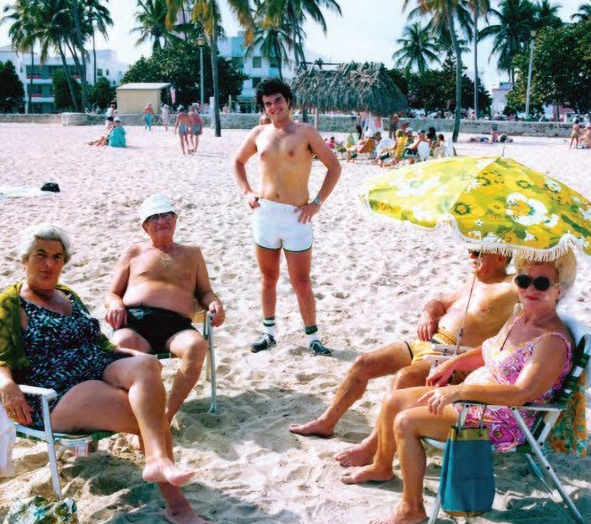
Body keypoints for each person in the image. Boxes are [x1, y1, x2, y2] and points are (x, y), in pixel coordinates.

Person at [0, 224, 215, 524]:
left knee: (146, 365)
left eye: (57, 257)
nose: (49, 264)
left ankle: (155, 460)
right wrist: (6, 383)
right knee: (148, 412)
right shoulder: (10, 303)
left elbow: (97, 341)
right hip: (56, 392)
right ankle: (177, 506)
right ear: (25, 259)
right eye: (41, 256)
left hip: (94, 364)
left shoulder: (67, 296)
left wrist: (124, 355)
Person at [341, 251, 576, 524]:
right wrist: (452, 364)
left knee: (406, 422)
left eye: (541, 284)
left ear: (559, 291)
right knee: (393, 400)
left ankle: (411, 509)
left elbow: (521, 393)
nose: (529, 289)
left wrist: (460, 391)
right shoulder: (521, 318)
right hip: (477, 400)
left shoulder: (552, 341)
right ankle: (381, 465)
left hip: (504, 418)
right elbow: (489, 351)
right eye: (524, 280)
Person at [290, 252, 518, 465]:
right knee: (363, 363)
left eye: (478, 252)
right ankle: (327, 422)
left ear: (500, 257)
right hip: (429, 342)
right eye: (471, 249)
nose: (471, 255)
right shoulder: (473, 280)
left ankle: (372, 448)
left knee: (405, 378)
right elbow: (438, 302)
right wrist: (428, 314)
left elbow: (545, 280)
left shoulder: (511, 285)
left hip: (456, 356)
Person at [233, 78, 341, 356]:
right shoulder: (259, 133)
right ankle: (268, 333)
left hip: (297, 217)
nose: (273, 107)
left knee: (301, 281)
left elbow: (334, 167)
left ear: (288, 101)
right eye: (267, 103)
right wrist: (247, 191)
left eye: (277, 100)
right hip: (265, 214)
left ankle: (313, 337)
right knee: (268, 278)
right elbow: (237, 162)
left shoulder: (306, 132)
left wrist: (316, 203)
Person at [104, 194, 225, 421]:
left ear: (175, 219)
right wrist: (116, 304)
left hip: (176, 326)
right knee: (119, 346)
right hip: (136, 323)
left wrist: (215, 302)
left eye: (167, 215)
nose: (162, 221)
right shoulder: (134, 252)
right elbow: (111, 294)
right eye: (155, 217)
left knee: (197, 346)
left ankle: (167, 414)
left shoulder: (192, 253)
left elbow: (205, 292)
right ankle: (138, 413)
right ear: (145, 226)